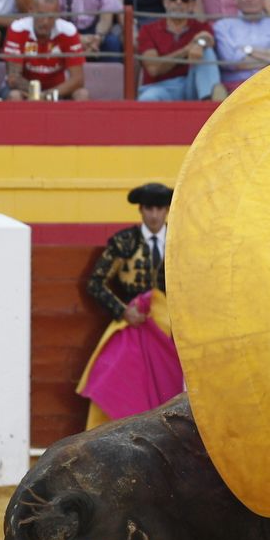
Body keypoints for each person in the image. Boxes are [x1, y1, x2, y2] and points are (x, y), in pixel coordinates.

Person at [78, 181, 183, 429]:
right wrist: (123, 310)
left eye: (159, 209)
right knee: (122, 384)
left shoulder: (180, 241)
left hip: (171, 330)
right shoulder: (123, 242)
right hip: (133, 327)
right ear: (141, 210)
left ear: (167, 210)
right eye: (149, 208)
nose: (154, 215)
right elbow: (95, 283)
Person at [138, 0, 226, 99]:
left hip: (192, 86)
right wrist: (186, 50)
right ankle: (212, 99)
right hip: (160, 88)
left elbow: (207, 38)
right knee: (148, 98)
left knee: (206, 50)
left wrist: (199, 44)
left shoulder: (201, 26)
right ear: (165, 2)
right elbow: (153, 69)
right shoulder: (148, 30)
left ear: (192, 5)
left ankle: (210, 100)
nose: (178, 2)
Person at [3, 0, 88, 97]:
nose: (45, 22)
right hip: (24, 89)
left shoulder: (68, 31)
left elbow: (78, 79)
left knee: (82, 93)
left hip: (57, 90)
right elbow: (14, 78)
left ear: (58, 14)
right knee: (14, 95)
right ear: (31, 11)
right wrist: (38, 94)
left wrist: (48, 95)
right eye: (41, 15)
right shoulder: (18, 29)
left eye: (51, 17)